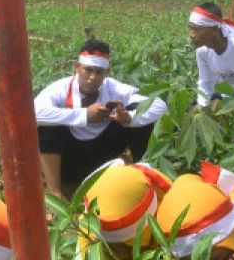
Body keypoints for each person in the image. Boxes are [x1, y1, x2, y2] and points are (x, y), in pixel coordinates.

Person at [34, 38, 168, 199]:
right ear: (77, 67)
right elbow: (34, 113)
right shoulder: (59, 89)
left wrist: (128, 118)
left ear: (107, 73)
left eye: (99, 72)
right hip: (68, 161)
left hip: (102, 156)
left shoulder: (112, 87)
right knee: (48, 125)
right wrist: (85, 115)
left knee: (140, 113)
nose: (92, 77)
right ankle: (56, 192)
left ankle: (143, 175)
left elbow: (158, 104)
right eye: (88, 70)